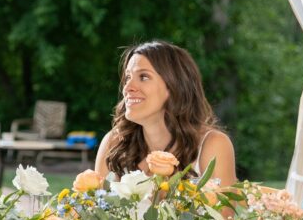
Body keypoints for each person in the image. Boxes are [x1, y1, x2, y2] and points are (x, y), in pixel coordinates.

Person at [94, 40, 236, 187]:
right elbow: (94, 206)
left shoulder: (212, 144)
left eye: (143, 77)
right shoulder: (115, 144)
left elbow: (223, 210)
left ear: (175, 86)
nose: (127, 87)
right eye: (128, 77)